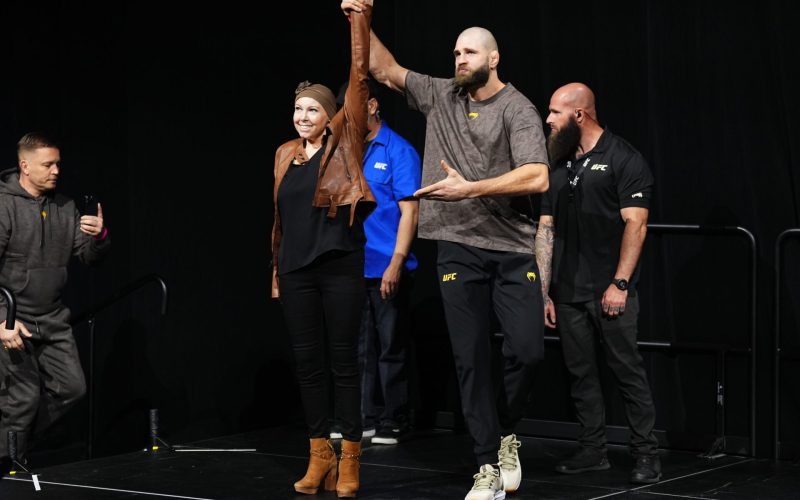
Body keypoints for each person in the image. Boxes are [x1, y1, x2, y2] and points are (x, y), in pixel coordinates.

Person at [347, 1, 550, 497]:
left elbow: (538, 175)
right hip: (456, 246)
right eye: (456, 51)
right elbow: (383, 68)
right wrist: (359, 15)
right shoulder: (441, 94)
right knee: (470, 358)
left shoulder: (517, 109)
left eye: (469, 52)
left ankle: (506, 431)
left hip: (510, 246)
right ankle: (486, 466)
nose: (459, 58)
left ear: (493, 58)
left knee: (527, 352)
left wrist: (471, 188)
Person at [270, 1, 375, 497]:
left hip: (338, 266)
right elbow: (280, 223)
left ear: (331, 115)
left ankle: (350, 458)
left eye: (313, 108)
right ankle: (319, 456)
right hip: (294, 272)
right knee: (307, 364)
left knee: (343, 363)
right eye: (298, 109)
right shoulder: (284, 155)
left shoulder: (345, 142)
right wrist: (277, 271)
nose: (303, 116)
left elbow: (358, 77)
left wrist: (360, 19)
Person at [535, 82, 660, 484]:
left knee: (627, 371)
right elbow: (546, 229)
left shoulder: (623, 158)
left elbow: (636, 224)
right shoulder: (557, 163)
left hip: (610, 290)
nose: (548, 119)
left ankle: (646, 454)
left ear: (579, 115)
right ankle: (593, 451)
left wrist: (619, 283)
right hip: (568, 293)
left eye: (554, 112)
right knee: (581, 374)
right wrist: (545, 293)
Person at [0, 132, 110, 468]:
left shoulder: (65, 206)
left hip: (52, 317)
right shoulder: (4, 205)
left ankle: (10, 446)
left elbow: (88, 258)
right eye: (48, 164)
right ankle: (9, 467)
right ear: (25, 166)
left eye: (58, 163)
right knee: (21, 400)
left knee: (72, 388)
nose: (56, 170)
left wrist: (99, 236)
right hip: (12, 317)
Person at [333, 78, 421, 445]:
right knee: (357, 347)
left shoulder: (398, 150)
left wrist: (396, 262)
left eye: (353, 107)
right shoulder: (345, 151)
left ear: (371, 106)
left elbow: (409, 213)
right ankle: (362, 416)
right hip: (353, 266)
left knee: (390, 346)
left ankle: (394, 417)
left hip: (387, 264)